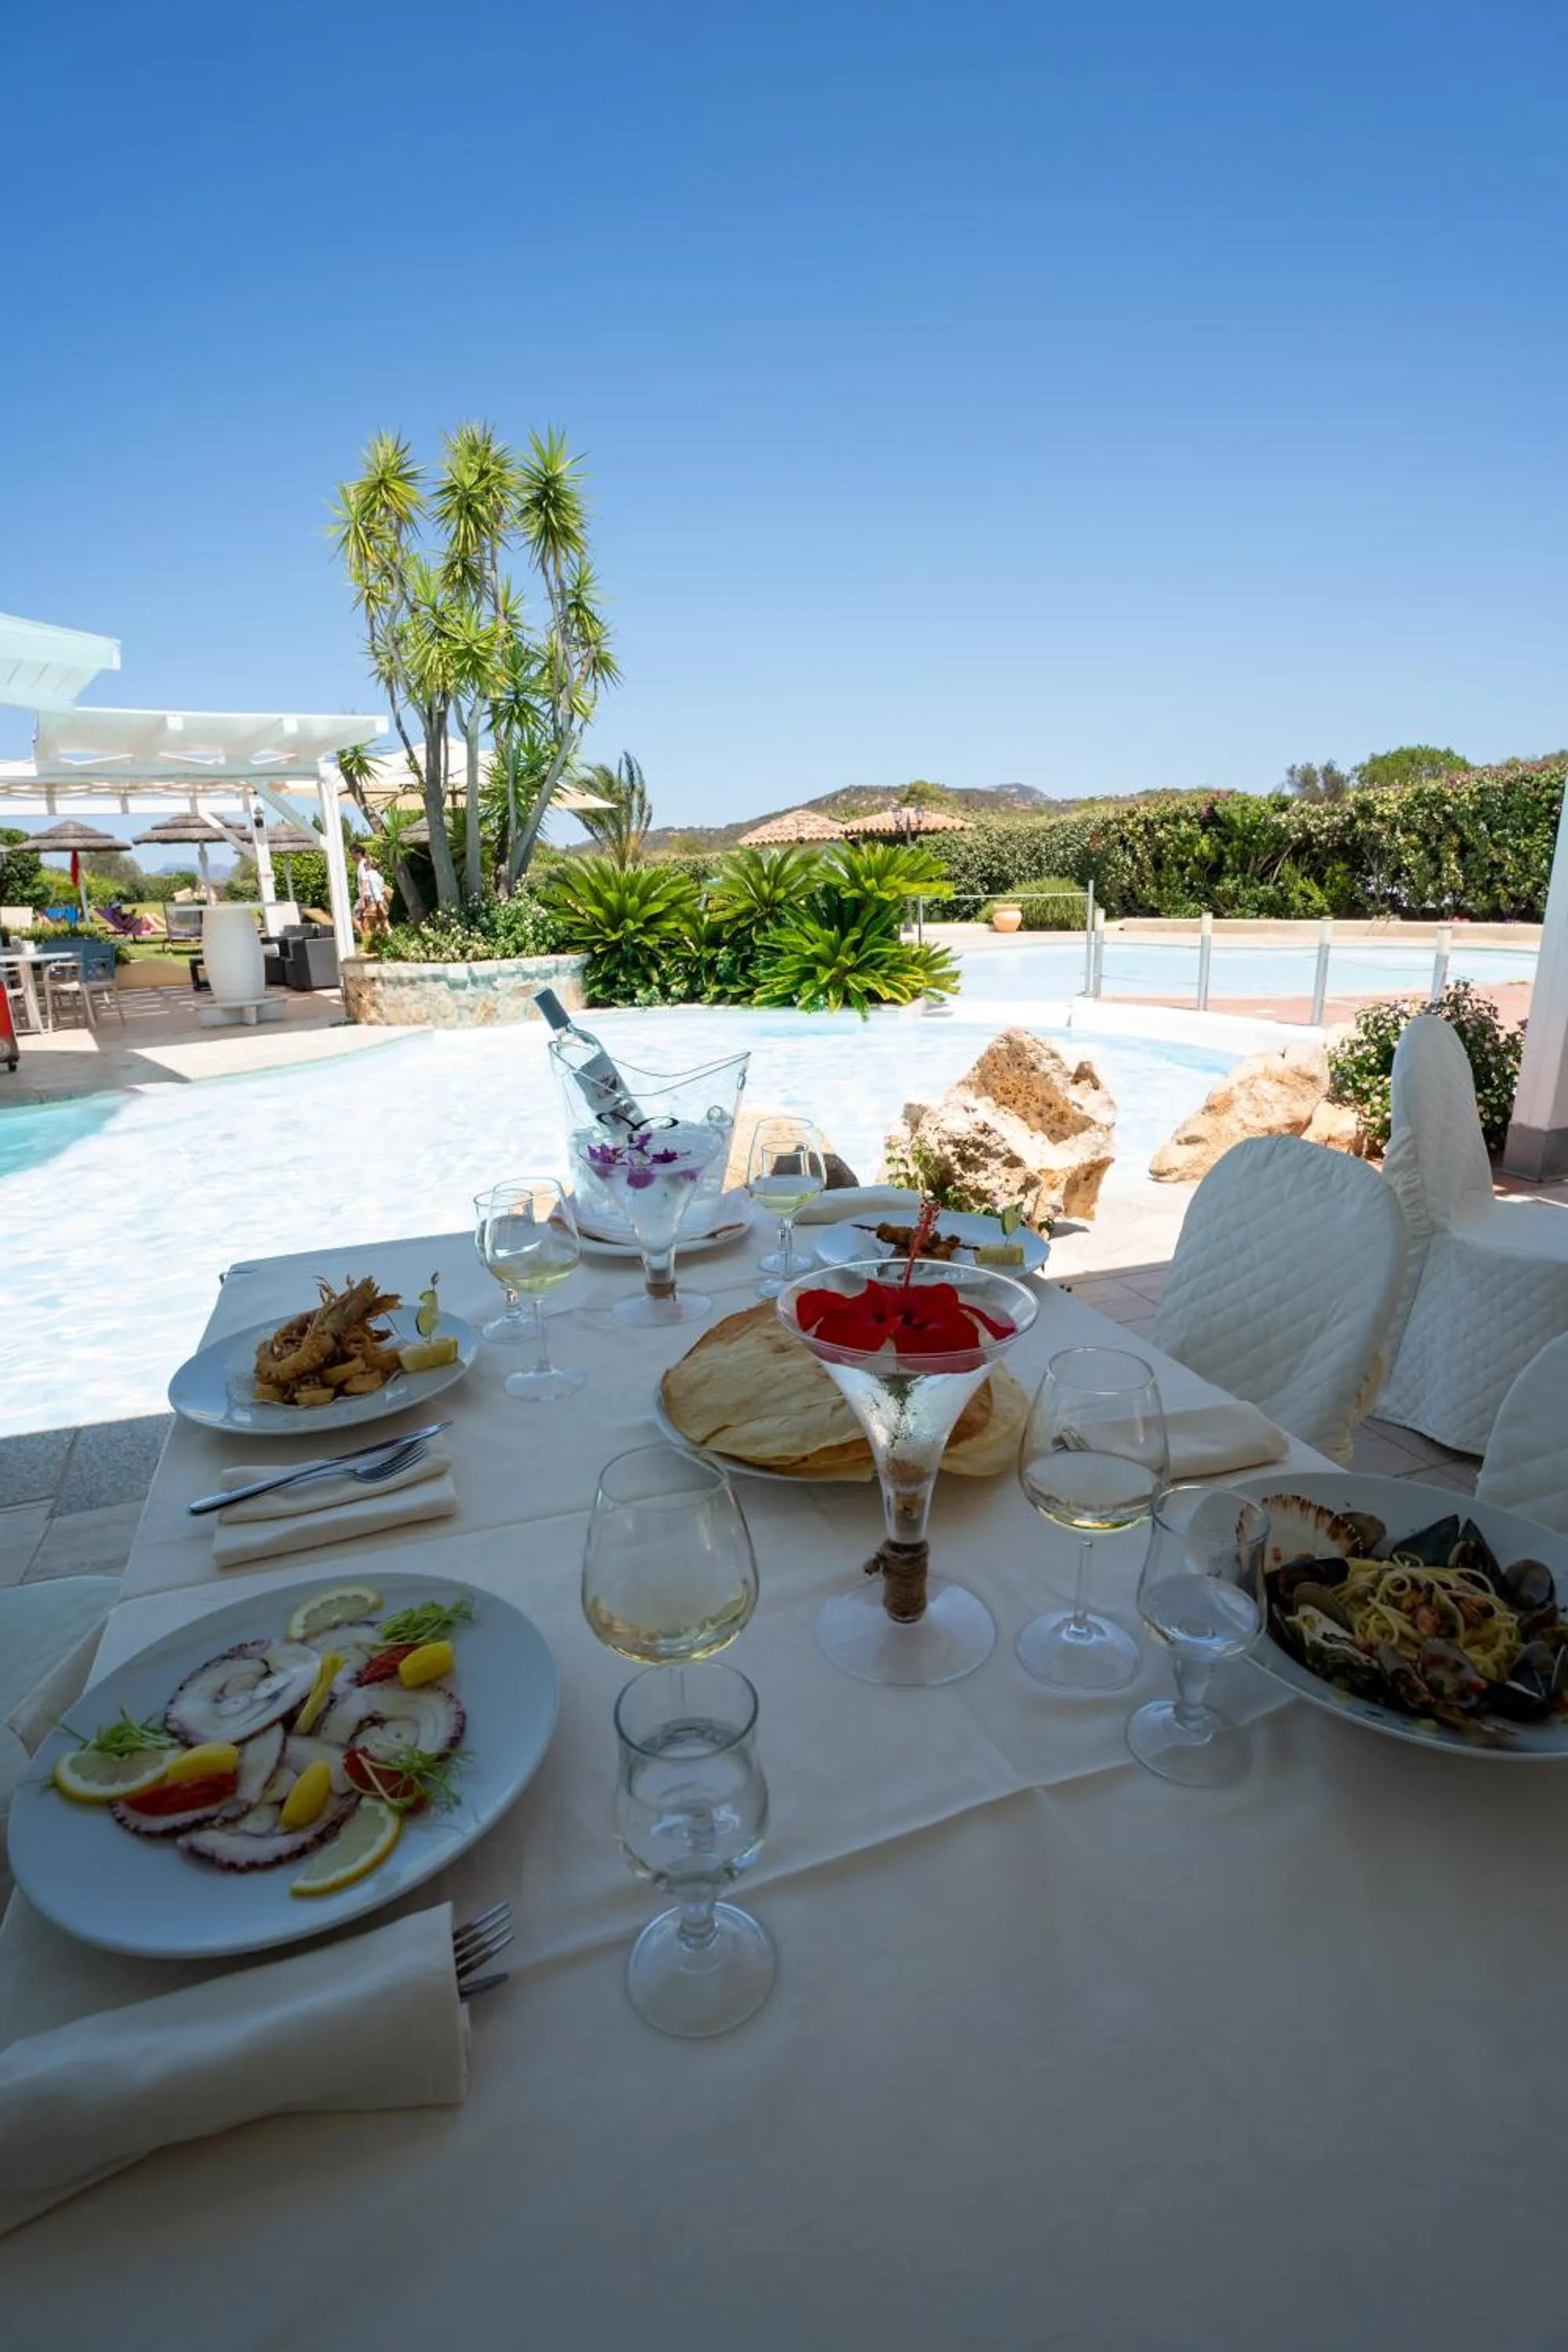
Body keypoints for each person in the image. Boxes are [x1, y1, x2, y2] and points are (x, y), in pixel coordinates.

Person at [354, 850, 389, 937]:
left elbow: (375, 891)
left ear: (370, 865)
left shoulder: (369, 876)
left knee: (367, 928)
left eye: (365, 864)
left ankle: (369, 945)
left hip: (372, 904)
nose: (364, 866)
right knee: (384, 925)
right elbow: (382, 891)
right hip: (380, 903)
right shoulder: (379, 877)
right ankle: (391, 941)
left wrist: (363, 900)